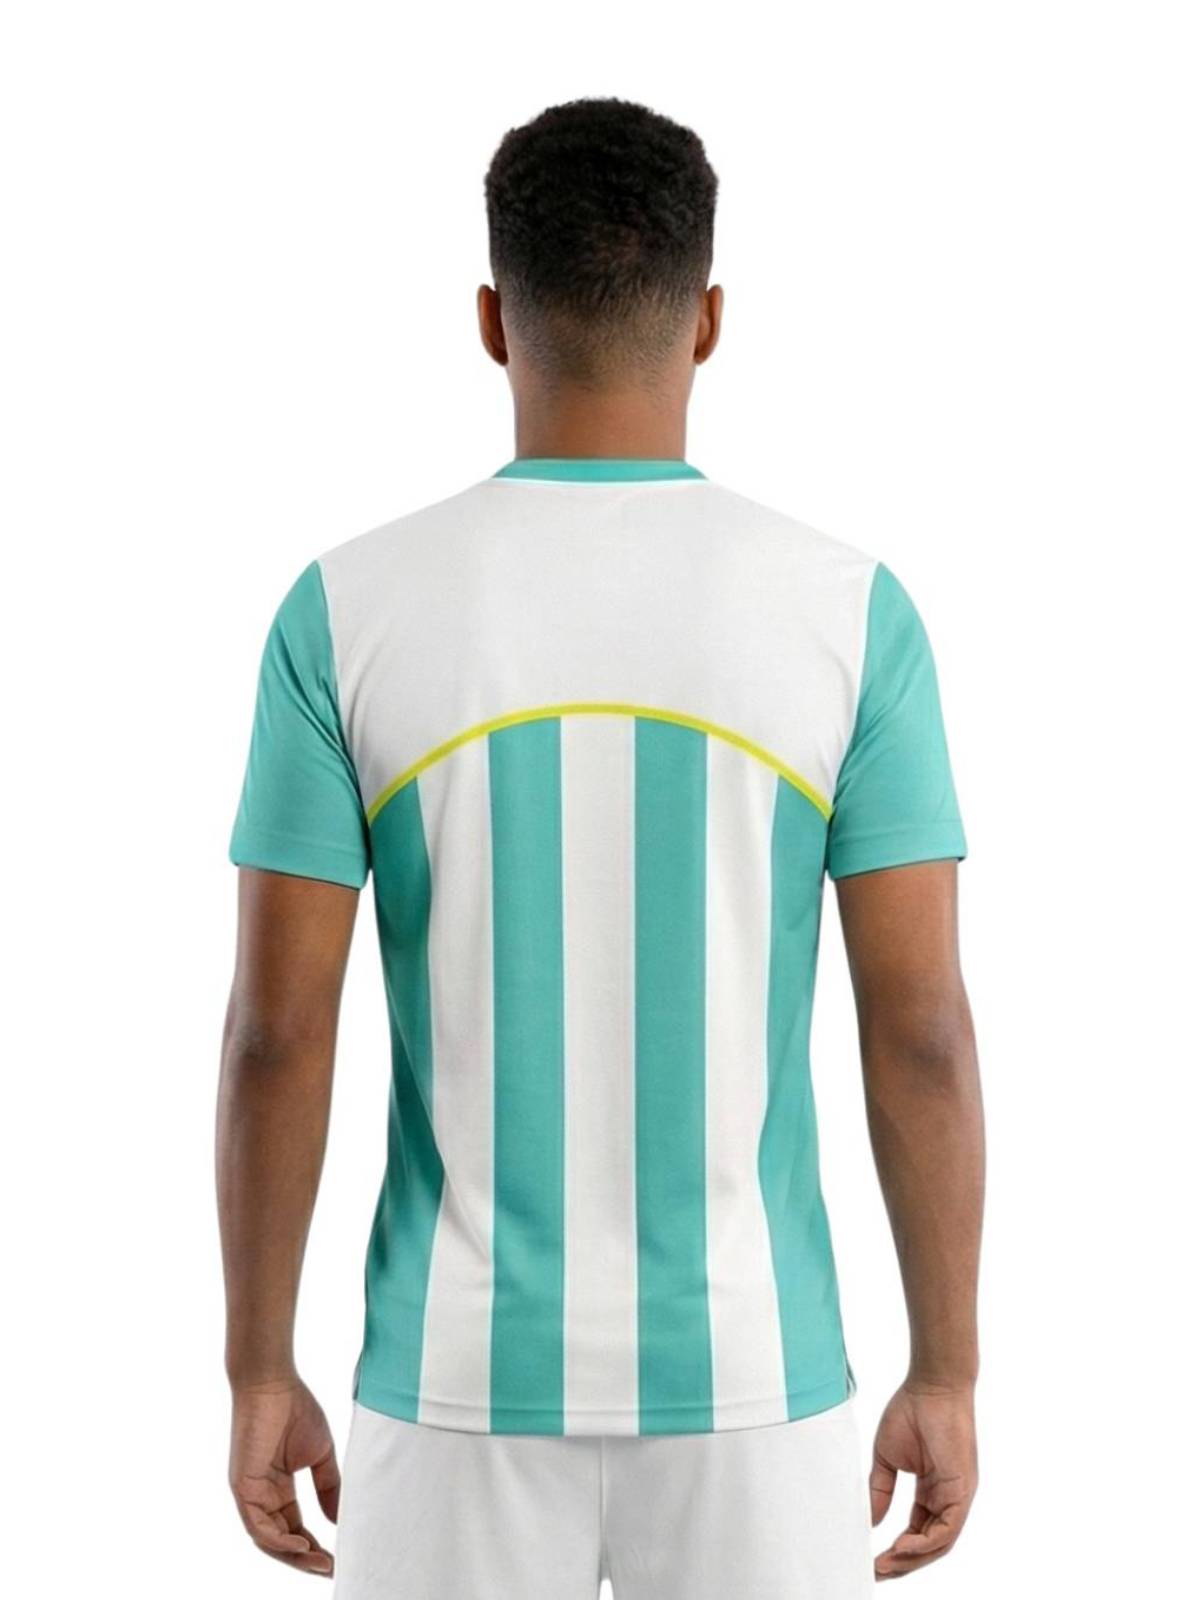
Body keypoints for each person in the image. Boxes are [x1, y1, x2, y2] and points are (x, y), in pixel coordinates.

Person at [217, 97, 984, 1598]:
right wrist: (945, 1370)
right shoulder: (849, 612)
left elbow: (275, 1035)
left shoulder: (345, 610)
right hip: (756, 1382)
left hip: (449, 1383)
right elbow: (923, 1034)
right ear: (707, 321)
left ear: (492, 321)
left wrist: (258, 1367)